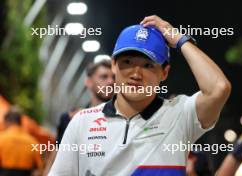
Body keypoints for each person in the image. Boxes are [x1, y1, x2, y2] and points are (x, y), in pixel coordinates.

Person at [49, 15, 231, 176]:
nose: (136, 74)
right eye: (127, 62)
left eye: (148, 65)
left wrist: (178, 38)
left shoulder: (180, 114)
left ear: (164, 72)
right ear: (113, 65)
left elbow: (218, 88)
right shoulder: (82, 121)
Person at [0, 107, 43, 176]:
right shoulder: (33, 142)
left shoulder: (1, 138)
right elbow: (40, 169)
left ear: (7, 121)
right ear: (20, 122)